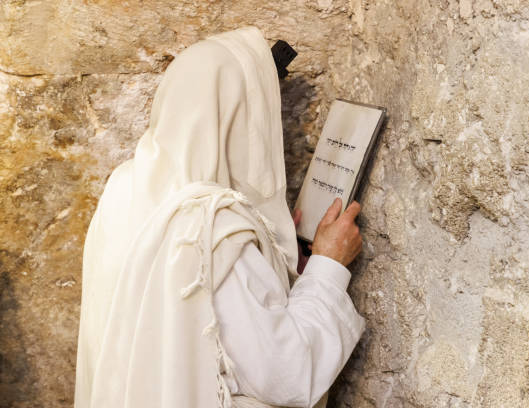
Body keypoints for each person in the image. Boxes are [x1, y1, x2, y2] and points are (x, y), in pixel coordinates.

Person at [74, 26, 365, 408]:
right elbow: (286, 374)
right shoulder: (210, 226)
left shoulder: (125, 189)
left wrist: (268, 258)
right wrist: (328, 267)